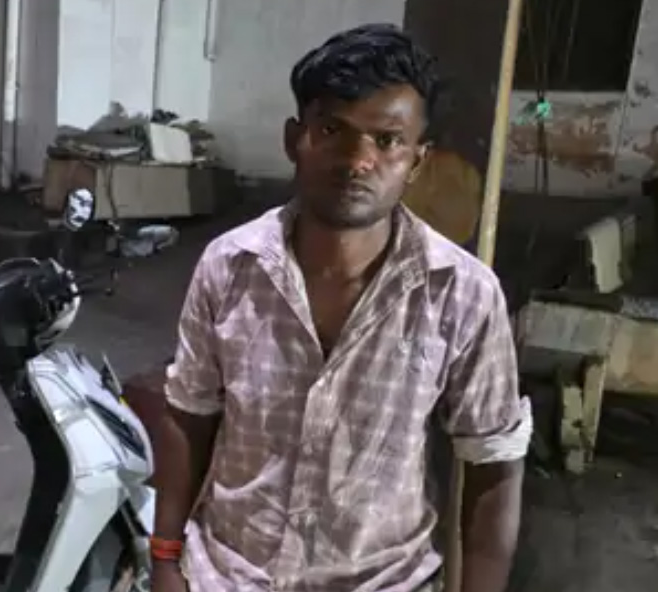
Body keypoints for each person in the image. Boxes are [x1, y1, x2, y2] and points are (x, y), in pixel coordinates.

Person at [150, 23, 531, 592]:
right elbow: (189, 414)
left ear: (417, 161)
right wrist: (165, 557)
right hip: (227, 575)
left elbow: (493, 463)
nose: (358, 160)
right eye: (333, 130)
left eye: (388, 140)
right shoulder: (228, 267)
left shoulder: (463, 294)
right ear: (294, 139)